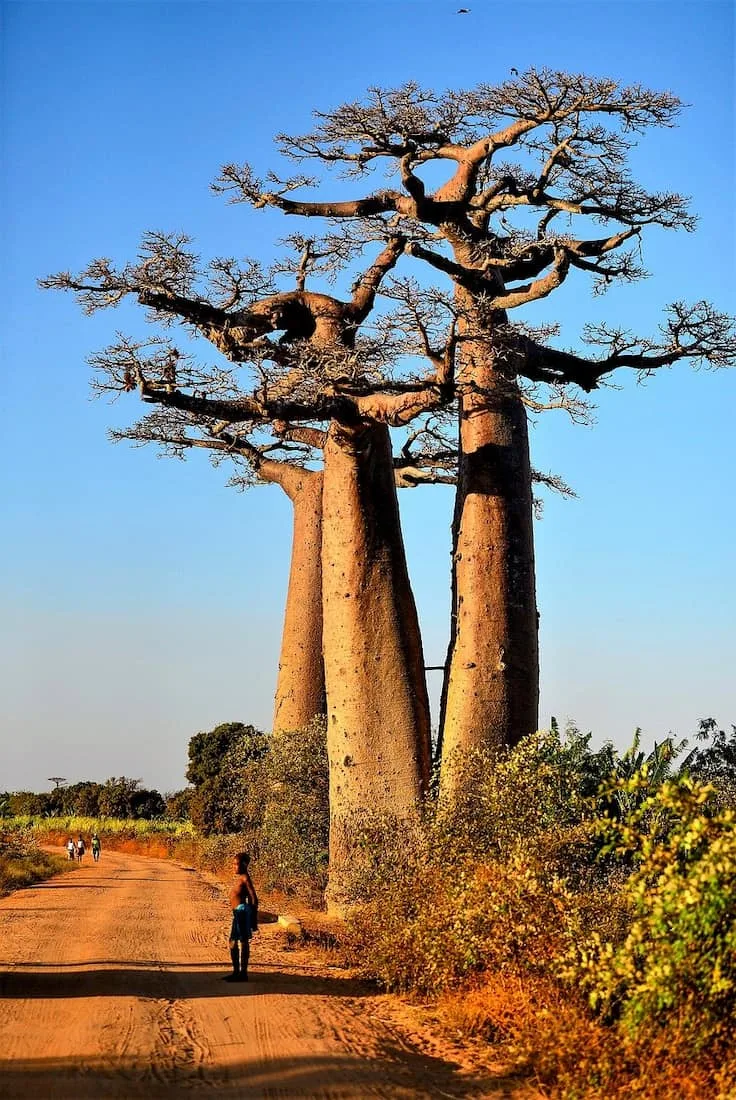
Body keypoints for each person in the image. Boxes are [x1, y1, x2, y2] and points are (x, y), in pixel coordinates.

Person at [224, 852, 258, 982]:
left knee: (242, 942)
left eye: (236, 864)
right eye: (233, 864)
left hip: (242, 912)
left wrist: (253, 919)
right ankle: (236, 972)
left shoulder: (245, 878)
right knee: (233, 941)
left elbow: (253, 898)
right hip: (237, 914)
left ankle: (243, 973)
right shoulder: (240, 878)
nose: (234, 866)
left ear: (244, 865)